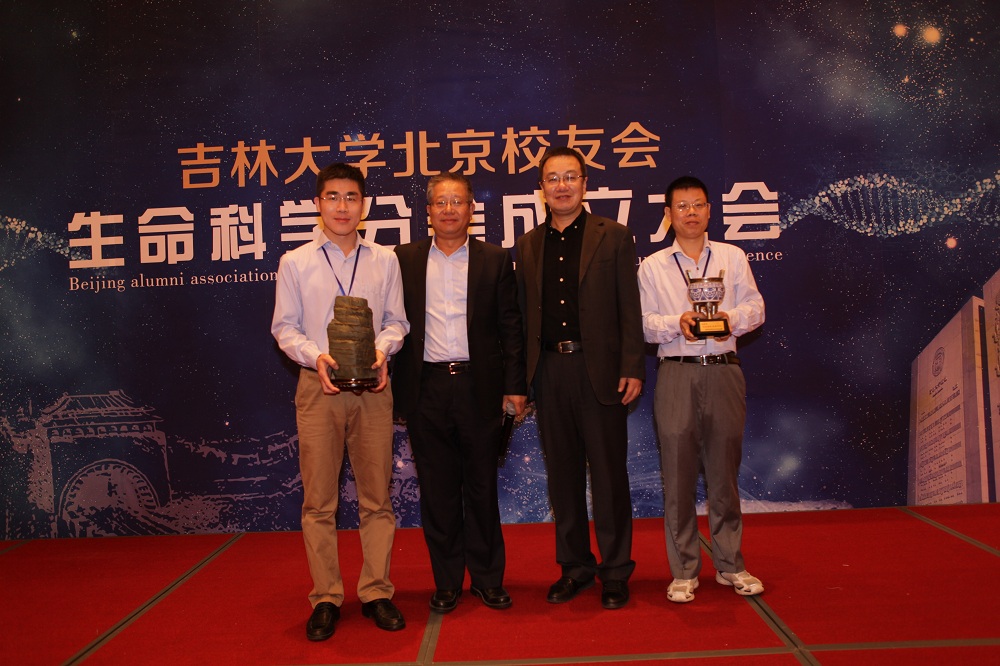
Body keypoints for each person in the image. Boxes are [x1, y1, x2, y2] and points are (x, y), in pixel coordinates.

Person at [271, 162, 410, 641]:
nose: (342, 207)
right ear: (318, 203)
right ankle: (326, 597)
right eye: (332, 197)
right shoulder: (295, 262)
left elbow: (397, 321)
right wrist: (316, 357)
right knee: (319, 502)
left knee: (377, 498)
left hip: (374, 388)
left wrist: (382, 350)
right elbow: (284, 328)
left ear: (363, 205)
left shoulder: (385, 259)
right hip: (319, 388)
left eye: (351, 197)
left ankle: (376, 592)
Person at [514, 146, 644, 610]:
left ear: (585, 184)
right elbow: (522, 318)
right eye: (553, 178)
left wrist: (632, 366)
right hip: (550, 371)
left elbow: (630, 307)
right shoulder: (528, 245)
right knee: (562, 477)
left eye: (571, 176)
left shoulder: (615, 236)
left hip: (601, 372)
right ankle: (574, 567)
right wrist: (521, 380)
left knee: (609, 476)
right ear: (541, 189)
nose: (562, 185)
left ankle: (615, 570)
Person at [393, 172, 527, 614]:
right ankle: (447, 581)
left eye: (458, 202)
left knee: (482, 487)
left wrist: (515, 387)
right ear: (428, 211)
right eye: (440, 202)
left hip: (479, 387)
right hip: (426, 387)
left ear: (471, 209)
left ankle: (488, 579)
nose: (449, 209)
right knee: (438, 491)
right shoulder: (404, 259)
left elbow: (511, 328)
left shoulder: (495, 259)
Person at [637, 175, 766, 604]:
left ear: (710, 210)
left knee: (724, 474)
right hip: (677, 372)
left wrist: (730, 319)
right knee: (677, 475)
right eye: (682, 206)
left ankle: (731, 564)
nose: (690, 213)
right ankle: (684, 570)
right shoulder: (653, 266)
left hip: (724, 371)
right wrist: (678, 323)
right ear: (668, 214)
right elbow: (644, 324)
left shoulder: (733, 256)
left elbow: (756, 307)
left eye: (698, 205)